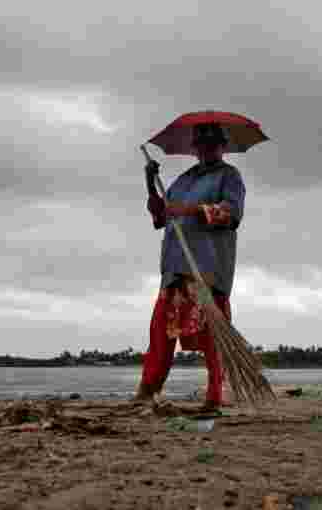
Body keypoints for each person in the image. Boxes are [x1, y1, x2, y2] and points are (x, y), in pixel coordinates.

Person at [134, 122, 246, 411]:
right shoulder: (184, 180)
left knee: (212, 336)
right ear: (195, 149)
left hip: (207, 266)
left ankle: (213, 397)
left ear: (223, 147)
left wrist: (188, 210)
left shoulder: (229, 177)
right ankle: (147, 391)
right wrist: (150, 182)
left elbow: (231, 214)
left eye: (213, 144)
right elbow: (160, 216)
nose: (207, 149)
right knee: (160, 331)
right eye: (202, 145)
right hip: (174, 265)